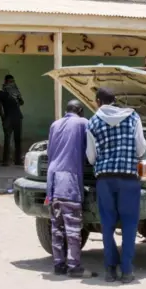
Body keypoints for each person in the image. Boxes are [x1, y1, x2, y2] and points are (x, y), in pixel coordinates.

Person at [86, 88, 146, 283]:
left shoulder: (93, 121)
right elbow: (141, 147)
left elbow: (91, 156)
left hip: (105, 179)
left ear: (98, 101)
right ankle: (127, 271)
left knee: (107, 224)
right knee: (129, 224)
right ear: (115, 101)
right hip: (129, 178)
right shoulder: (133, 117)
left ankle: (110, 269)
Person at [46, 100, 96, 278]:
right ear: (80, 111)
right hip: (69, 179)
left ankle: (59, 264)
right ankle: (74, 266)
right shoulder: (83, 123)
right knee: (73, 227)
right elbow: (91, 149)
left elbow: (50, 152)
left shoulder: (55, 124)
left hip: (52, 179)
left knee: (56, 226)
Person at [0, 74, 24, 166]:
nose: (12, 83)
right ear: (5, 81)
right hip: (8, 118)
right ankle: (5, 161)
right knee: (7, 139)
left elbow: (22, 102)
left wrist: (18, 97)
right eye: (10, 81)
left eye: (13, 81)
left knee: (18, 140)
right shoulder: (2, 92)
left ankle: (18, 160)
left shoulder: (16, 91)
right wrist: (3, 118)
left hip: (17, 117)